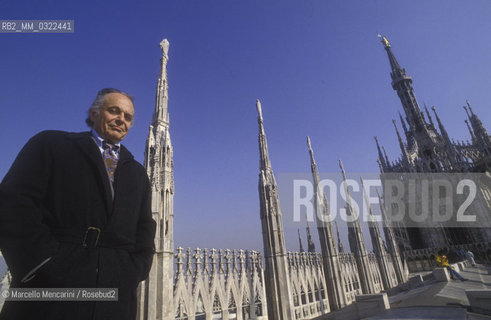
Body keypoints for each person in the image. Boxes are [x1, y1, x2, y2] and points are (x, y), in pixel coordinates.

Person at [0, 88, 156, 320]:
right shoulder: (53, 145)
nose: (121, 119)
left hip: (114, 293)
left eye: (128, 116)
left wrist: (134, 270)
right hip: (50, 291)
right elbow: (13, 203)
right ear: (94, 113)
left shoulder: (137, 172)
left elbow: (145, 227)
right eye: (114, 111)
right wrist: (42, 265)